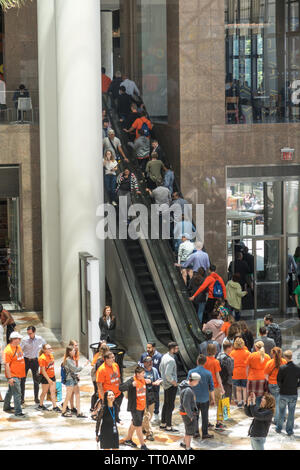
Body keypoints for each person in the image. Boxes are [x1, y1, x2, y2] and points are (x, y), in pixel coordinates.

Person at [119, 366, 149, 450]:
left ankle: (128, 439)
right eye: (143, 373)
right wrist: (131, 385)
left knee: (134, 423)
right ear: (138, 374)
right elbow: (121, 388)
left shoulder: (143, 380)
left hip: (142, 407)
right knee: (138, 425)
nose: (144, 374)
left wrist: (152, 382)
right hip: (135, 408)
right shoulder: (132, 380)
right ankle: (143, 445)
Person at [188, 355, 215, 440]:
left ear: (197, 361)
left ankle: (195, 432)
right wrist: (213, 399)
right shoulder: (208, 373)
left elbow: (188, 385)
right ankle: (205, 433)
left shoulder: (191, 372)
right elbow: (211, 387)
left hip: (194, 399)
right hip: (205, 399)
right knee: (205, 416)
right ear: (205, 362)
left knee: (195, 416)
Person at [276, 350, 300, 436]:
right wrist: (297, 385)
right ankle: (289, 430)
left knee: (281, 412)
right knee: (291, 413)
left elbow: (278, 380)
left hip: (283, 393)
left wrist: (281, 387)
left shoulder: (282, 368)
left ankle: (279, 428)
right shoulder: (297, 368)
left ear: (285, 358)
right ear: (291, 357)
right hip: (293, 393)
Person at [61, 346, 89, 418]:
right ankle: (63, 411)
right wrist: (84, 365)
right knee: (68, 396)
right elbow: (75, 369)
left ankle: (79, 412)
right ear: (69, 351)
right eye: (73, 350)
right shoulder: (68, 360)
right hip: (70, 380)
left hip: (74, 379)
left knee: (77, 395)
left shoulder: (71, 359)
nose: (75, 352)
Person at [3, 331, 26, 418]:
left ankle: (6, 407)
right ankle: (18, 411)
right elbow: (7, 366)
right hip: (13, 375)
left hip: (18, 374)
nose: (20, 340)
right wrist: (10, 378)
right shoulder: (7, 350)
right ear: (14, 339)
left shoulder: (18, 347)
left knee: (10, 391)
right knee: (17, 393)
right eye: (18, 338)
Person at [20, 326, 46, 405]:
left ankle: (36, 398)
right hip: (26, 360)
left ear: (34, 332)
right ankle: (21, 398)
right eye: (28, 333)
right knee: (22, 380)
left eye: (30, 333)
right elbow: (20, 350)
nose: (29, 335)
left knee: (36, 380)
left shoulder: (39, 339)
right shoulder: (24, 340)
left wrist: (42, 357)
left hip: (35, 361)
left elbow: (45, 347)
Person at [96, 351, 123, 423]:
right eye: (111, 358)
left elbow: (119, 378)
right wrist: (103, 398)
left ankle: (116, 419)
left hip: (117, 394)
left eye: (113, 357)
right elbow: (99, 385)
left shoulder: (115, 365)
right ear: (106, 359)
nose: (114, 359)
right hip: (108, 397)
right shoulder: (101, 369)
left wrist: (121, 388)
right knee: (108, 414)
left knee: (117, 409)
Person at [204, 343, 225, 430]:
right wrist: (222, 387)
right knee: (220, 404)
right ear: (215, 351)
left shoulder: (204, 360)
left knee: (206, 406)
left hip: (205, 387)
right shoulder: (216, 362)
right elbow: (217, 376)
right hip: (215, 386)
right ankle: (219, 423)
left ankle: (206, 422)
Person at [139, 342, 162, 423]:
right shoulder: (143, 356)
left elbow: (160, 370)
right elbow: (138, 371)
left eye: (149, 348)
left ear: (154, 348)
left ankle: (156, 415)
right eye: (147, 347)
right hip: (145, 388)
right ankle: (144, 417)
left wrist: (159, 380)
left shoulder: (159, 356)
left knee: (156, 399)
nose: (148, 349)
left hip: (155, 385)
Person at [159, 342, 179, 432]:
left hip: (165, 384)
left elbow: (160, 368)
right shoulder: (171, 360)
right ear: (172, 349)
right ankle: (169, 426)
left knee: (166, 404)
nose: (177, 349)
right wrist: (173, 382)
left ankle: (163, 423)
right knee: (170, 405)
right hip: (170, 385)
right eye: (176, 348)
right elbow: (168, 374)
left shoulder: (164, 356)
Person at [264, 347, 286, 427]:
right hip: (281, 385)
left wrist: (270, 380)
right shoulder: (284, 362)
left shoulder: (269, 363)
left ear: (272, 353)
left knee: (275, 402)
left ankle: (276, 420)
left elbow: (266, 375)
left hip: (272, 384)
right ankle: (282, 418)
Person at [179, 372, 201, 450]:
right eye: (197, 381)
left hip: (185, 412)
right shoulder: (188, 390)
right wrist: (191, 415)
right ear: (194, 381)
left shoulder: (185, 386)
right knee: (189, 431)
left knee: (188, 429)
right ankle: (188, 447)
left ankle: (183, 443)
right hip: (187, 413)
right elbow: (186, 405)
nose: (198, 383)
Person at [141, 356, 162, 441]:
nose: (150, 364)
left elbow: (159, 378)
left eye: (151, 362)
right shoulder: (140, 371)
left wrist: (159, 381)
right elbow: (135, 381)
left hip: (152, 395)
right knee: (146, 415)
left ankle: (143, 427)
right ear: (144, 363)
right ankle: (148, 433)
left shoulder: (154, 370)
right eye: (148, 362)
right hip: (143, 395)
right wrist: (144, 381)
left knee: (150, 414)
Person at [37, 343, 61, 413]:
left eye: (51, 348)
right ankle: (40, 405)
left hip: (52, 376)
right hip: (45, 377)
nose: (51, 349)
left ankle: (55, 406)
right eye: (48, 348)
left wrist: (52, 378)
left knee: (53, 391)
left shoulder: (51, 355)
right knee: (44, 392)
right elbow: (43, 371)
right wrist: (48, 379)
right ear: (44, 350)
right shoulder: (42, 358)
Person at [246, 341, 270, 407]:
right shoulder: (267, 356)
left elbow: (247, 367)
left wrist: (247, 376)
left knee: (252, 397)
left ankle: (253, 412)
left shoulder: (251, 355)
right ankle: (259, 410)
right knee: (261, 397)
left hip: (252, 378)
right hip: (263, 379)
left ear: (256, 347)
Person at [230, 337, 250, 407]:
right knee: (244, 388)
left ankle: (239, 403)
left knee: (238, 389)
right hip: (245, 372)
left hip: (235, 373)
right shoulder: (247, 353)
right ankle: (245, 402)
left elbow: (230, 363)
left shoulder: (232, 353)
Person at [91, 342, 110, 414]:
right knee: (97, 393)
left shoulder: (105, 359)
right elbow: (97, 370)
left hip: (100, 378)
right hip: (96, 377)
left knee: (100, 394)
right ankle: (94, 409)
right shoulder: (99, 359)